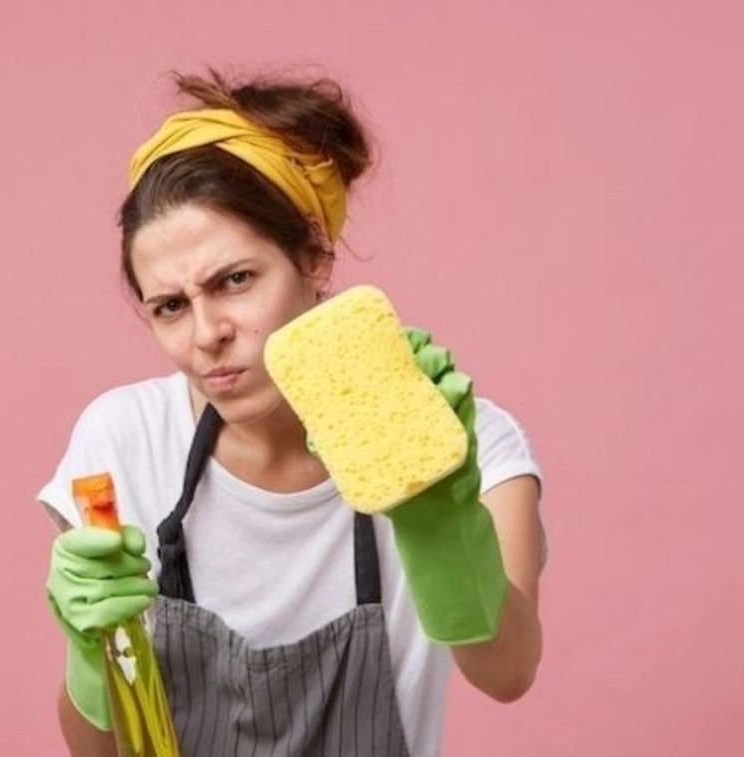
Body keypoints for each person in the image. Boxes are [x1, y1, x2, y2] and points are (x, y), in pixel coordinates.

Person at [38, 68, 547, 756]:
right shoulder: (125, 441)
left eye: (236, 280)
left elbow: (509, 673)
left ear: (313, 259)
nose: (207, 333)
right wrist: (90, 652)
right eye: (171, 306)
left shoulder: (457, 436)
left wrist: (440, 522)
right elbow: (99, 752)